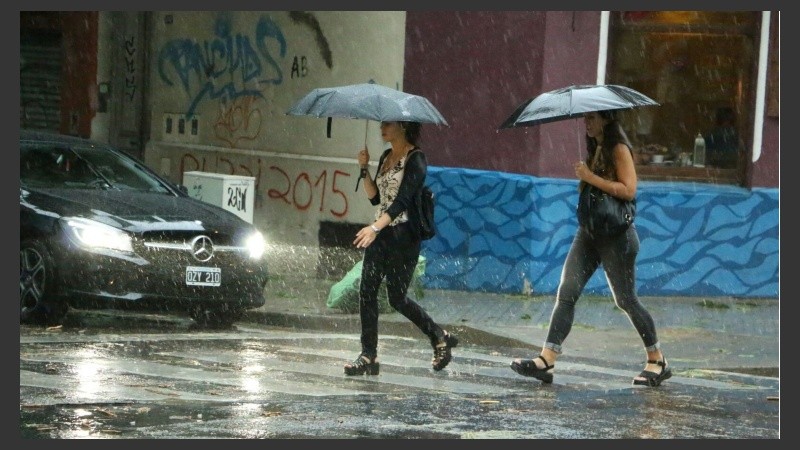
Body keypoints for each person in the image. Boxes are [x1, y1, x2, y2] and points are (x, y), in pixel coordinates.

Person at [510, 110, 672, 387]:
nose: (587, 123)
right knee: (567, 292)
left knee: (626, 300)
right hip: (588, 233)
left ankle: (657, 360)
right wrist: (586, 180)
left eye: (593, 118)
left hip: (617, 237)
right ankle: (547, 358)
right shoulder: (595, 148)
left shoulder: (618, 147)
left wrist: (591, 177)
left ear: (607, 119)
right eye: (585, 119)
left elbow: (629, 190)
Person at [344, 120, 458, 376]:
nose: (382, 128)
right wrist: (363, 168)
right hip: (382, 233)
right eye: (381, 124)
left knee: (397, 297)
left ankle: (438, 335)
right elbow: (376, 197)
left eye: (388, 124)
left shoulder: (416, 159)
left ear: (403, 127)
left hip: (404, 236)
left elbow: (402, 202)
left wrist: (374, 228)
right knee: (367, 291)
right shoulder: (385, 156)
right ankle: (368, 355)